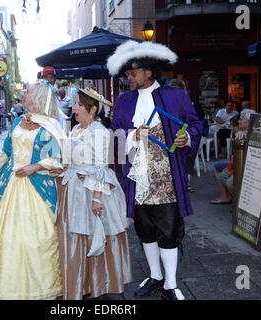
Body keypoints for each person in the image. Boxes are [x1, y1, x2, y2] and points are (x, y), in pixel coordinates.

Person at [107, 40, 203, 300]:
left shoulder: (176, 96)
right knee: (144, 227)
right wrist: (132, 136)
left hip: (166, 174)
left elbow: (194, 124)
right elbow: (115, 139)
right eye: (128, 72)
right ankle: (155, 276)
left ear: (150, 71)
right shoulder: (124, 101)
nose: (129, 76)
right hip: (137, 175)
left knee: (169, 227)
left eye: (134, 71)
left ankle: (170, 284)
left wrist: (187, 138)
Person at [0, 80, 66, 300]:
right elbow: (7, 152)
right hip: (9, 185)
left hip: (36, 188)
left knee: (35, 239)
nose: (24, 95)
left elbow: (58, 160)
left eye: (27, 92)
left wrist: (34, 167)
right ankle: (0, 285)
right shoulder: (17, 121)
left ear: (37, 97)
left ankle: (40, 288)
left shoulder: (51, 127)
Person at [52, 87, 132, 300]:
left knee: (94, 235)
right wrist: (60, 168)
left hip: (90, 190)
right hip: (73, 189)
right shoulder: (76, 128)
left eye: (78, 104)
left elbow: (100, 167)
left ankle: (100, 284)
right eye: (75, 103)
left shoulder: (99, 131)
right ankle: (83, 284)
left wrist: (97, 199)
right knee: (77, 237)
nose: (74, 107)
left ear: (93, 108)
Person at [169, 78, 208, 193]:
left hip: (174, 133)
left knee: (174, 160)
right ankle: (186, 184)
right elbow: (201, 117)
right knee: (189, 161)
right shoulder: (192, 100)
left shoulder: (168, 102)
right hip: (191, 134)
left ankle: (177, 185)